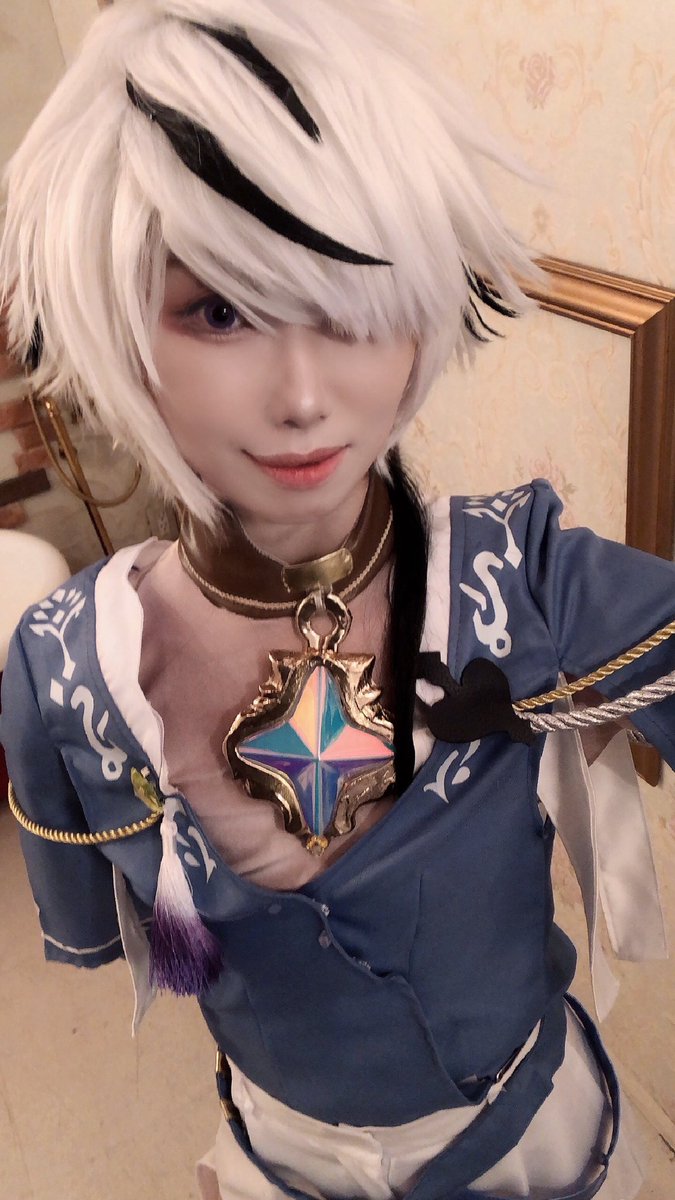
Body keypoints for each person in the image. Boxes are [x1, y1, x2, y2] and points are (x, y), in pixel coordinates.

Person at [0, 2, 671, 1197]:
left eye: (354, 299)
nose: (306, 396)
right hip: (280, 1150)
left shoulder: (518, 581)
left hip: (537, 1136)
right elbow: (119, 934)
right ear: (113, 319)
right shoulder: (67, 667)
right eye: (219, 310)